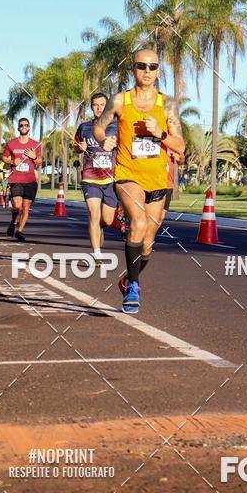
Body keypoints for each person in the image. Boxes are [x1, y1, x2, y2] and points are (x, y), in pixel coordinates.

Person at [93, 48, 184, 313]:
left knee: (147, 242)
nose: (147, 71)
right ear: (133, 68)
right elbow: (99, 125)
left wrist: (162, 134)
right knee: (138, 222)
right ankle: (134, 287)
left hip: (157, 179)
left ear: (158, 70)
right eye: (142, 66)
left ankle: (127, 279)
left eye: (152, 67)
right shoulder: (121, 100)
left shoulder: (167, 104)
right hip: (127, 174)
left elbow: (180, 144)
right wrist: (103, 138)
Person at [74, 93, 118, 258]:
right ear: (91, 107)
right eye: (95, 105)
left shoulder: (117, 125)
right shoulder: (84, 127)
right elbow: (76, 146)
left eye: (102, 104)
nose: (99, 108)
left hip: (111, 178)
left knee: (106, 220)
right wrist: (80, 148)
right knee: (93, 214)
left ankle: (98, 227)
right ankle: (97, 254)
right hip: (90, 177)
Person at [1, 118, 42, 242]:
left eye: (26, 125)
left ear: (29, 128)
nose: (24, 127)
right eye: (21, 125)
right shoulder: (12, 143)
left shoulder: (35, 144)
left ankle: (19, 231)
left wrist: (34, 156)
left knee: (25, 208)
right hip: (16, 179)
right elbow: (4, 157)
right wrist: (13, 161)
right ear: (18, 128)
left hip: (30, 180)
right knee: (17, 207)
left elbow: (39, 162)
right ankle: (13, 222)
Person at [161, 148, 184, 226]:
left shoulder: (172, 148)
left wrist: (179, 158)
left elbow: (181, 161)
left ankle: (152, 230)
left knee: (163, 212)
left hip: (168, 185)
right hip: (155, 184)